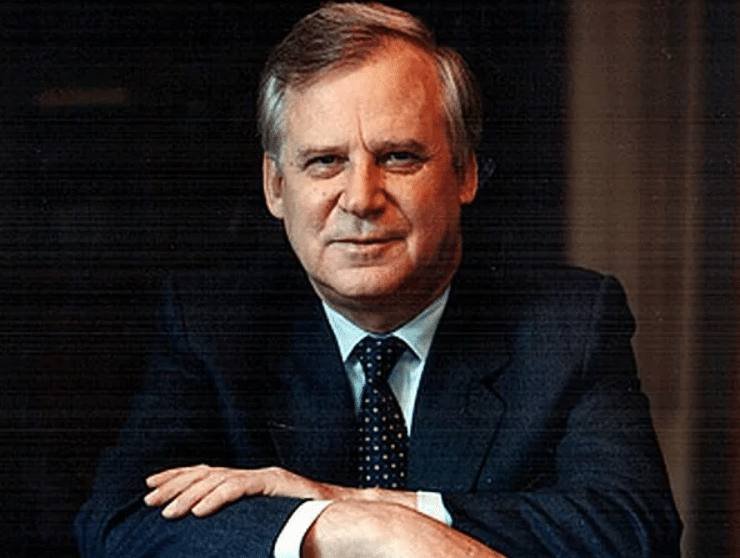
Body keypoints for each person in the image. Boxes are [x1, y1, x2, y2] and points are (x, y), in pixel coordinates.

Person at [75, 3, 681, 556]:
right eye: (325, 162)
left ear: (465, 174)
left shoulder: (567, 324)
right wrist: (349, 528)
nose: (361, 198)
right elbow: (119, 523)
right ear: (276, 187)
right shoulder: (212, 327)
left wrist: (385, 506)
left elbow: (634, 531)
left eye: (398, 157)